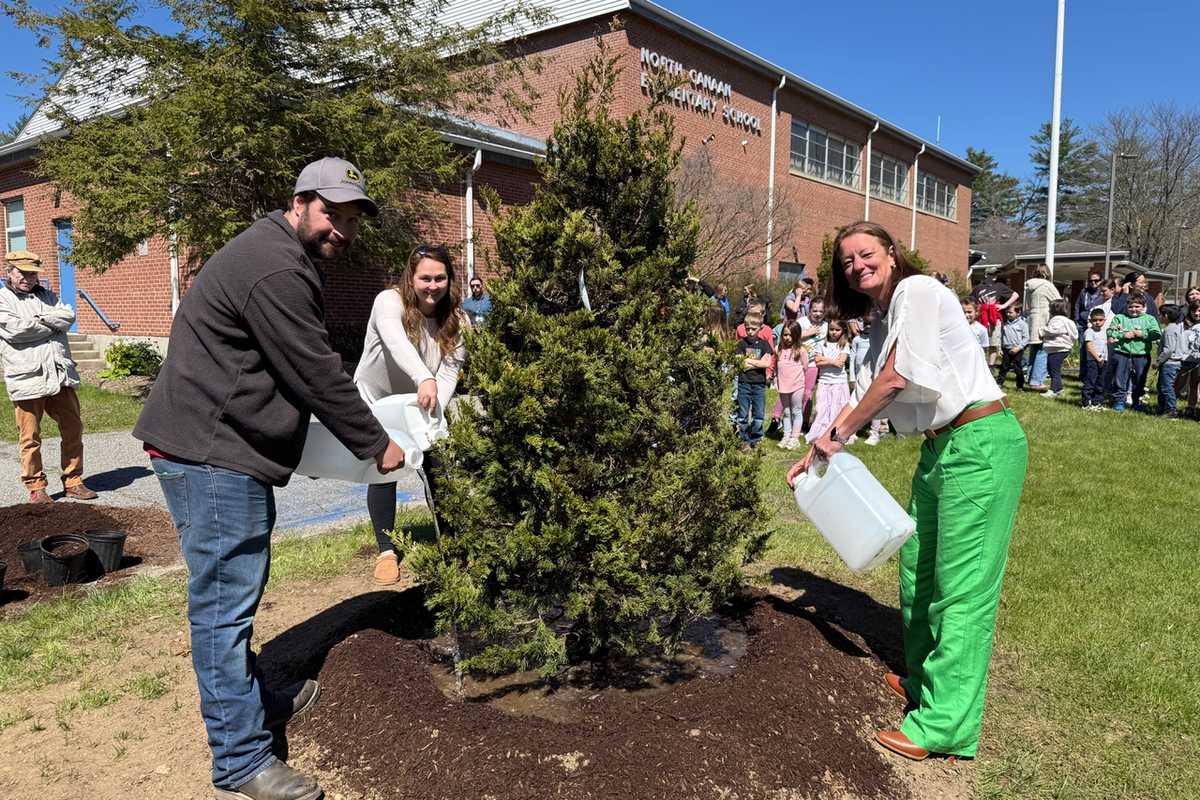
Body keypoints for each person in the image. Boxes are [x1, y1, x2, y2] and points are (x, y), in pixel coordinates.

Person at [134, 157, 406, 800]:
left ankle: (251, 702)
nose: (341, 228)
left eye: (350, 218)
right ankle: (240, 759)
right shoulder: (277, 267)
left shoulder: (278, 253)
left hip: (216, 444)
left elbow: (299, 364)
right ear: (301, 202)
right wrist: (377, 444)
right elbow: (314, 370)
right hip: (211, 453)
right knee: (224, 606)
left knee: (235, 592)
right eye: (331, 213)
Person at [788, 221, 1026, 762]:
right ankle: (924, 681)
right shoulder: (882, 319)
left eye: (865, 254)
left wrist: (838, 437)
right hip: (940, 449)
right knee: (918, 569)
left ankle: (945, 723)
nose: (857, 266)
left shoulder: (919, 291)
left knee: (960, 587)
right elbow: (863, 391)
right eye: (846, 261)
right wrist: (817, 450)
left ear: (892, 254)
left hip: (979, 440)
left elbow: (896, 379)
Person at [355, 244, 466, 584]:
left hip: (423, 401)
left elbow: (449, 371)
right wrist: (424, 377)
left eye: (440, 278)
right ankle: (387, 550)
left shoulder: (455, 319)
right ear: (410, 277)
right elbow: (395, 342)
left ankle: (453, 543)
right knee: (385, 470)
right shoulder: (389, 302)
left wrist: (431, 414)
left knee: (440, 468)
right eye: (425, 278)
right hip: (379, 400)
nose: (433, 285)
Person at [0, 249, 99, 503]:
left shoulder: (49, 296)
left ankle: (74, 480)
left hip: (60, 374)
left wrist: (39, 319)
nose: (28, 278)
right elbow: (17, 331)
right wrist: (51, 324)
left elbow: (68, 316)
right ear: (9, 272)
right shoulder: (3, 300)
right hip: (28, 377)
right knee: (30, 436)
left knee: (73, 428)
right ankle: (36, 487)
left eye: (32, 274)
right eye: (22, 273)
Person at [1106, 291, 1161, 412]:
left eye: (1137, 306)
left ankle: (1137, 401)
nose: (1133, 309)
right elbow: (1110, 331)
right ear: (1126, 306)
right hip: (1122, 353)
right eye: (1130, 306)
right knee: (1120, 379)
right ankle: (1119, 401)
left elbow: (1157, 334)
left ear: (1143, 307)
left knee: (1139, 379)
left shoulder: (1149, 319)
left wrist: (1143, 334)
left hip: (1141, 356)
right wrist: (1123, 335)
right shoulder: (1120, 318)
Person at [805, 317, 853, 445]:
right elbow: (817, 362)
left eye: (837, 330)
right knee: (822, 408)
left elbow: (840, 363)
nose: (834, 332)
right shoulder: (821, 344)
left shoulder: (844, 345)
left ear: (842, 330)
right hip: (824, 381)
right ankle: (821, 432)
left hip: (839, 382)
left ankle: (837, 433)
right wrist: (832, 361)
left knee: (837, 408)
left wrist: (825, 360)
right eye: (831, 329)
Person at [734, 304, 774, 450]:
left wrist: (750, 362)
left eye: (754, 329)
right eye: (747, 328)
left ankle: (756, 439)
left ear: (760, 328)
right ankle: (744, 439)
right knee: (743, 414)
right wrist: (758, 363)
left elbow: (767, 363)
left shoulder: (764, 345)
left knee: (758, 414)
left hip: (759, 384)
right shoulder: (741, 344)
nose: (750, 331)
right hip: (744, 383)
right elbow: (740, 363)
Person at [970, 267, 1018, 370]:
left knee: (994, 343)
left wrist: (1004, 305)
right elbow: (971, 301)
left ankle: (991, 366)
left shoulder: (999, 286)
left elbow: (1015, 295)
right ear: (986, 275)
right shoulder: (978, 287)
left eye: (995, 275)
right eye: (991, 274)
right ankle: (980, 364)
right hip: (981, 318)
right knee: (980, 342)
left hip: (994, 318)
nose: (993, 277)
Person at [1023, 264, 1061, 391]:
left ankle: (1030, 377)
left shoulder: (1029, 286)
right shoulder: (1047, 285)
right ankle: (1037, 381)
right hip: (1043, 318)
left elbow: (1027, 305)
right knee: (1043, 350)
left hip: (1032, 318)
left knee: (1034, 350)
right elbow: (1058, 301)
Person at [774, 321, 808, 450]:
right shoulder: (778, 349)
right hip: (783, 386)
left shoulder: (801, 351)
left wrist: (797, 379)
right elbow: (777, 367)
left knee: (796, 411)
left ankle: (794, 438)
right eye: (784, 335)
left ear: (797, 335)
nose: (787, 338)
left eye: (790, 335)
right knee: (787, 412)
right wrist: (776, 380)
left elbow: (805, 367)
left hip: (797, 386)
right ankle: (786, 435)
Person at [1039, 299, 1078, 398]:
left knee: (1053, 370)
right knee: (1052, 368)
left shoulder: (1058, 320)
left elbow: (1053, 330)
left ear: (1055, 309)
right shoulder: (1067, 321)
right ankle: (1059, 388)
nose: (1048, 310)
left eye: (1050, 308)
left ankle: (1053, 390)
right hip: (1060, 349)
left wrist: (1041, 331)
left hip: (1058, 348)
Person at [1073, 271, 1105, 382]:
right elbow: (1077, 305)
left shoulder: (1102, 293)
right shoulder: (1084, 292)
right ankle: (1083, 375)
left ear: (1100, 281)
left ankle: (1096, 375)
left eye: (1096, 280)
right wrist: (1077, 318)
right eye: (1091, 280)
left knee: (1095, 350)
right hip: (1082, 324)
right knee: (1083, 350)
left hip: (1096, 325)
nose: (1093, 283)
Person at [1156, 304, 1187, 418]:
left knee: (1166, 387)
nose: (1159, 316)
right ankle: (1162, 407)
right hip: (1173, 362)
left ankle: (1171, 410)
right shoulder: (1176, 327)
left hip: (1169, 363)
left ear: (1166, 316)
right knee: (1162, 386)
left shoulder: (1169, 329)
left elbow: (1169, 349)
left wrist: (1158, 361)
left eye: (1160, 314)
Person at [1080, 307, 1108, 410]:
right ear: (1090, 321)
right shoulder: (1089, 331)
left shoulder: (1105, 331)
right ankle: (1086, 403)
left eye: (1100, 320)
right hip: (1093, 360)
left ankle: (1097, 402)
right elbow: (1089, 347)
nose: (1097, 322)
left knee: (1101, 382)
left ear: (1104, 320)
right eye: (1095, 320)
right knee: (1091, 381)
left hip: (1104, 360)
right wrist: (1097, 358)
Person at [996, 304, 1028, 391]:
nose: (1008, 314)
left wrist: (1019, 347)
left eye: (1010, 312)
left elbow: (1026, 338)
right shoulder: (1005, 324)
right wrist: (999, 348)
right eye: (1007, 312)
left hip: (1017, 349)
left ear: (1018, 313)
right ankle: (999, 383)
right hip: (1006, 349)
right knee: (1004, 367)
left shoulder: (1023, 324)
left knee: (1018, 368)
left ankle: (1020, 386)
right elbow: (1001, 336)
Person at [1180, 301, 1200, 419]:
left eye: (1199, 310)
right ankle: (1170, 406)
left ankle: (1192, 407)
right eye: (1194, 311)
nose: (1197, 313)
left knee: (1195, 384)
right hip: (1185, 359)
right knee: (1180, 383)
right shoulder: (1185, 324)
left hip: (1198, 361)